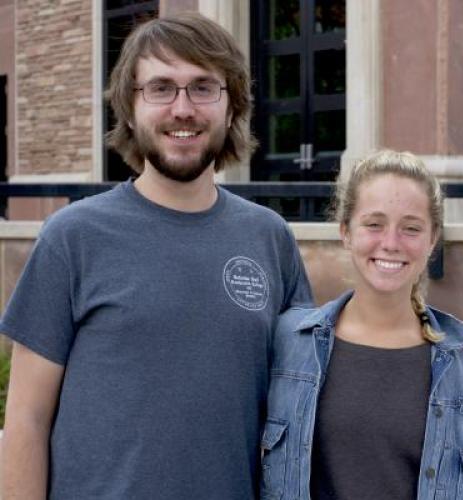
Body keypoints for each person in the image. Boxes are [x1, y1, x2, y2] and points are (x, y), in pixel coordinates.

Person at [0, 13, 312, 499]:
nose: (182, 109)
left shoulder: (268, 238)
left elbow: (308, 390)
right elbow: (26, 419)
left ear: (231, 109)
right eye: (161, 88)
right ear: (129, 107)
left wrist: (456, 346)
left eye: (203, 87)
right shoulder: (73, 237)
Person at [260, 150, 463, 500]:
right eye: (374, 224)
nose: (390, 243)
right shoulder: (290, 341)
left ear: (432, 240)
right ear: (345, 232)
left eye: (411, 229)